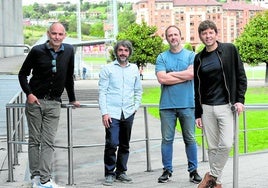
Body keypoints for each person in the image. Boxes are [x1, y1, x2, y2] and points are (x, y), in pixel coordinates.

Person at [18, 22, 80, 188]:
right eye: (54, 34)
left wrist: (72, 99)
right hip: (35, 102)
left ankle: (44, 180)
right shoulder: (37, 51)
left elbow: (68, 77)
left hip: (54, 103)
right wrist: (29, 94)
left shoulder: (69, 51)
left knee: (48, 142)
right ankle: (36, 178)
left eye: (60, 34)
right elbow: (22, 74)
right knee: (34, 141)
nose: (57, 37)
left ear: (64, 35)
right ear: (48, 34)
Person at [194, 20, 247, 188]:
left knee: (225, 144)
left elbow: (241, 76)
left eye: (210, 32)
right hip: (207, 108)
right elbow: (197, 88)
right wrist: (197, 113)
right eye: (204, 33)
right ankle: (217, 183)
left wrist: (239, 99)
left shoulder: (229, 50)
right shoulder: (199, 58)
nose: (208, 36)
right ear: (201, 36)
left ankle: (211, 175)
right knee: (212, 147)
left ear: (216, 33)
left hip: (226, 106)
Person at [155, 25, 202, 184]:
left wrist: (171, 75)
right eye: (170, 35)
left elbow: (191, 74)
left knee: (190, 138)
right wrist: (184, 76)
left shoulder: (191, 55)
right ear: (166, 38)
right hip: (166, 106)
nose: (173, 37)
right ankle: (167, 170)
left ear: (180, 36)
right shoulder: (161, 57)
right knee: (166, 139)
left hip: (187, 104)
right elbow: (162, 79)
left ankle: (193, 171)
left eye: (175, 34)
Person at [98, 40, 142, 186]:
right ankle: (109, 173)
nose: (123, 53)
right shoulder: (107, 69)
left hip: (128, 112)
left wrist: (135, 106)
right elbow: (102, 92)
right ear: (116, 52)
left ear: (129, 52)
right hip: (112, 113)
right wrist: (105, 113)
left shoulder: (134, 69)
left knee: (125, 144)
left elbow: (138, 90)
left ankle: (121, 172)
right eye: (120, 50)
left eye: (126, 50)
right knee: (111, 143)